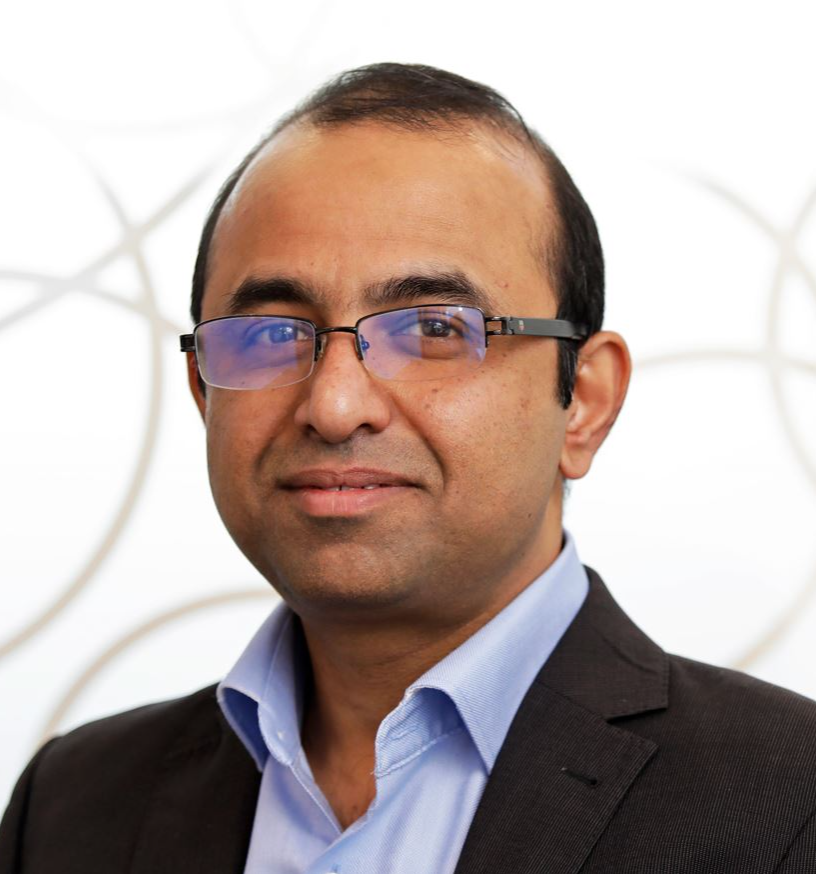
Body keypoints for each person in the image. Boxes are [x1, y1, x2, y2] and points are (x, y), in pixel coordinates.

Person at [1, 62, 815, 874]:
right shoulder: (72, 807)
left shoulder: (788, 802)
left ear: (585, 401)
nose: (334, 405)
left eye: (432, 329)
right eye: (270, 335)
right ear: (203, 390)